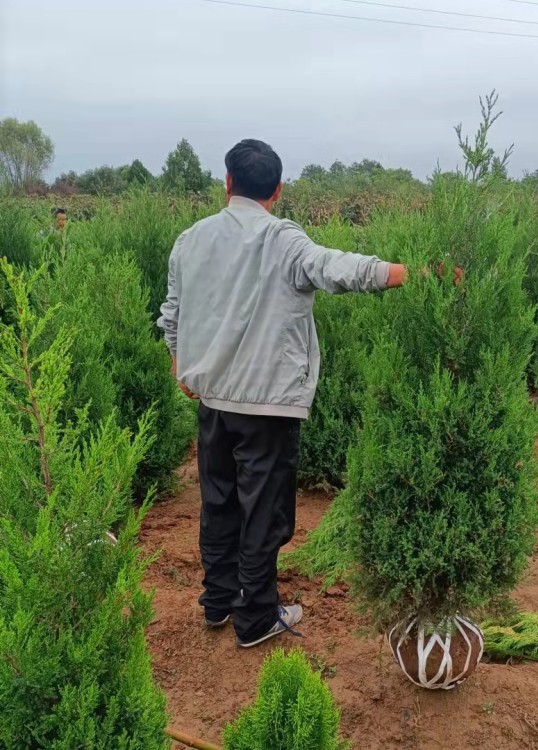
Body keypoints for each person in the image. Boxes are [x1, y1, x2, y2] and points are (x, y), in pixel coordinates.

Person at [157, 139, 408, 648]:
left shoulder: (190, 240)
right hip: (267, 406)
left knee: (219, 501)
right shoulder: (283, 239)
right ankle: (256, 620)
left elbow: (172, 313)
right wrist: (409, 274)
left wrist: (180, 363)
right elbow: (338, 268)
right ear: (278, 190)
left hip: (213, 401)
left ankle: (218, 603)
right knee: (263, 512)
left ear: (227, 183)